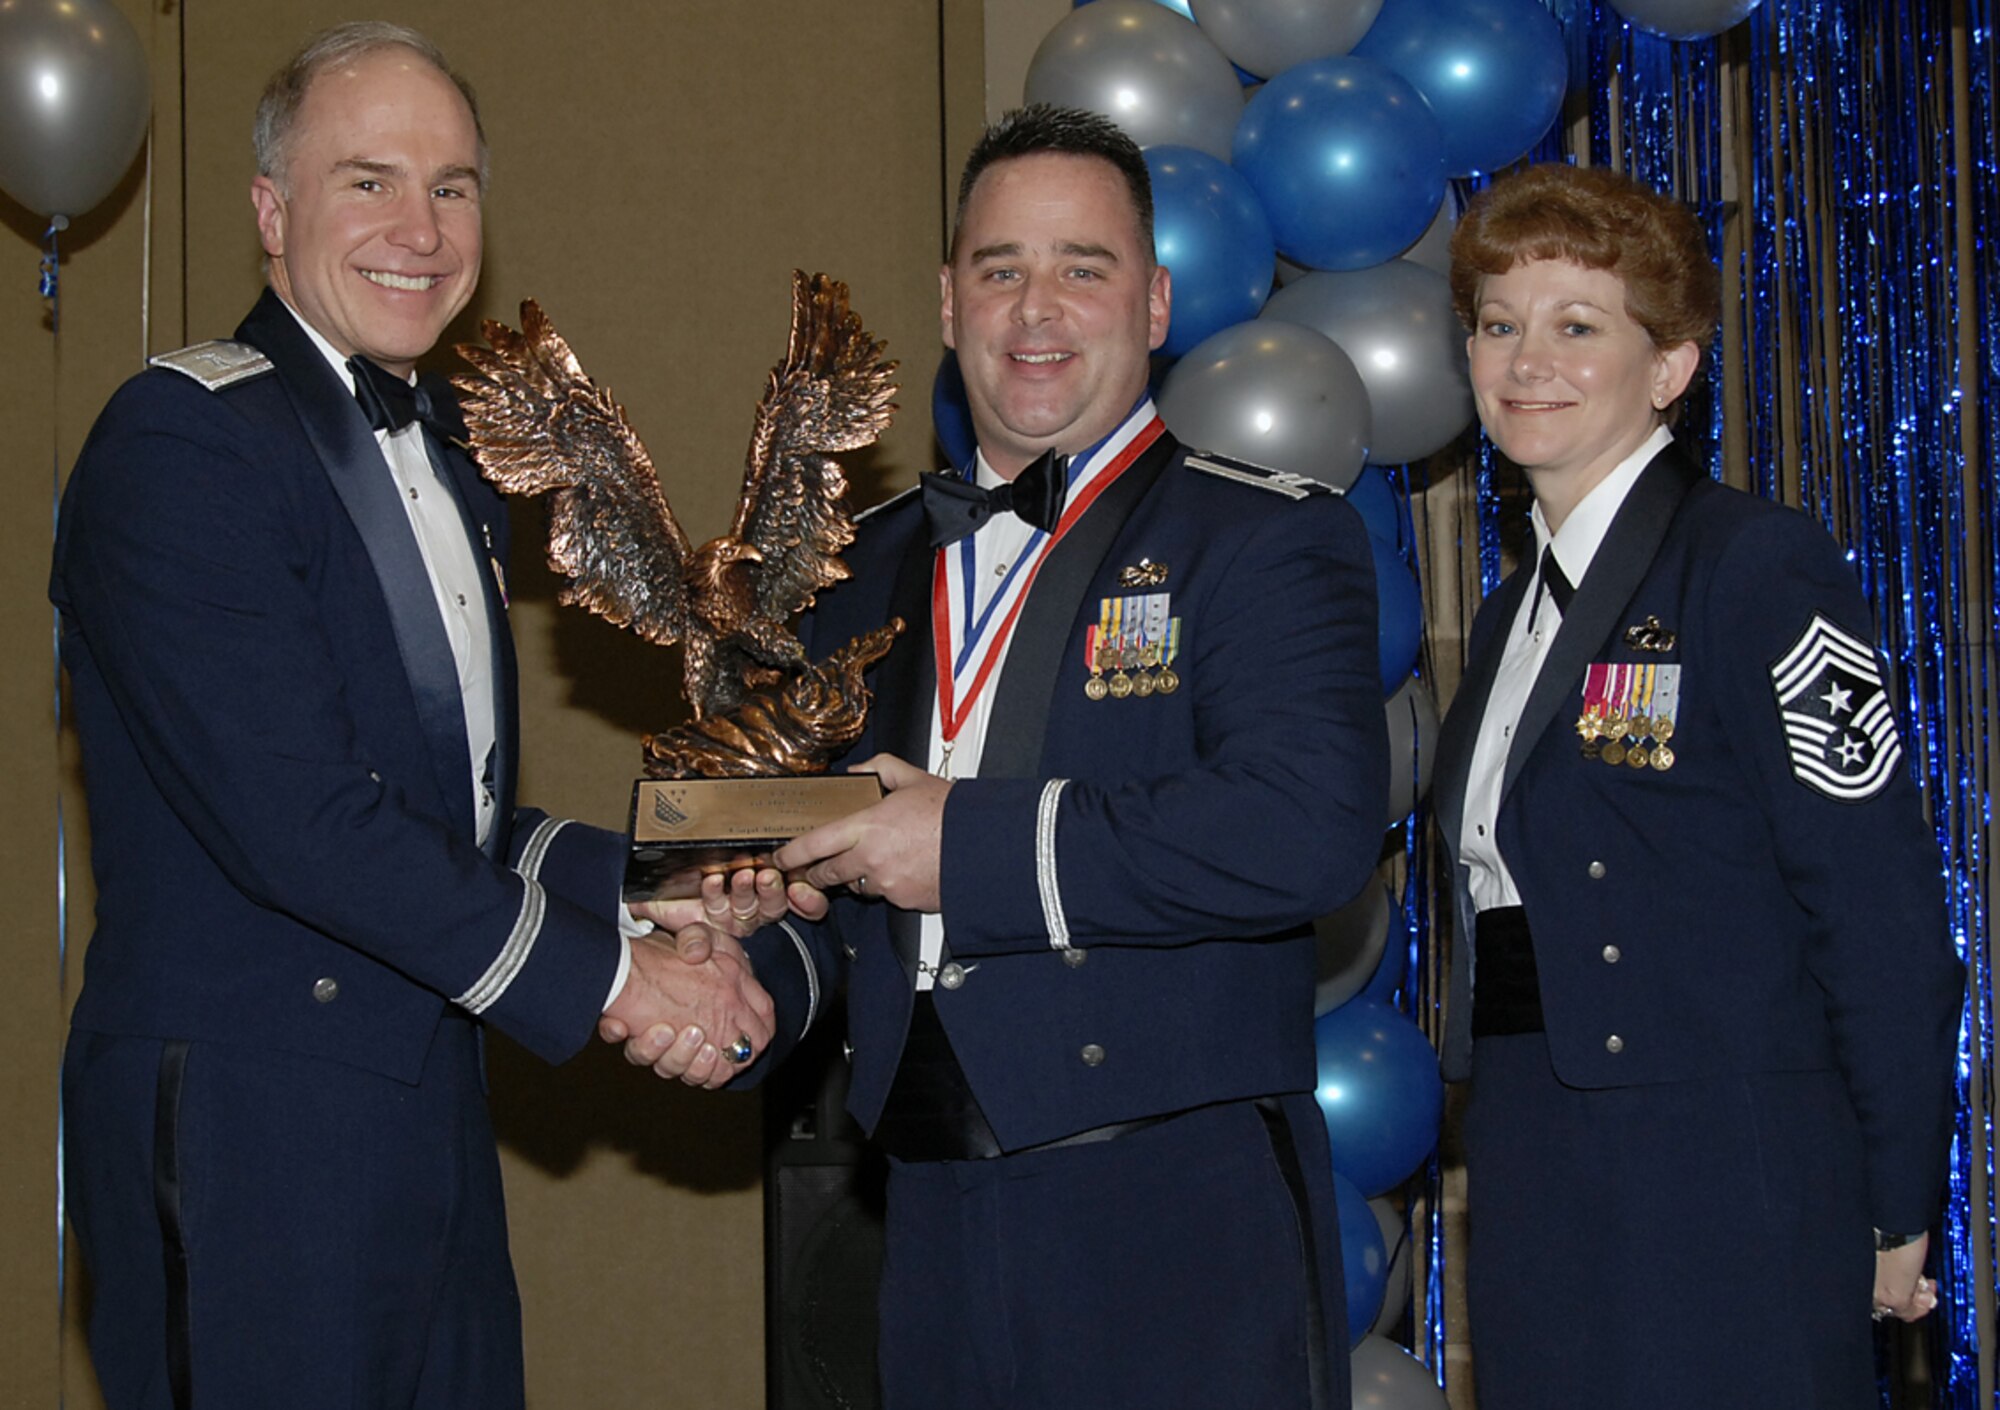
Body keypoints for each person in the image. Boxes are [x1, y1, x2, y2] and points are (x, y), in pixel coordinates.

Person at [617, 104, 1388, 1409]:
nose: (1037, 307)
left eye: (1082, 268)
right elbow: (850, 887)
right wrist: (748, 955)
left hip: (1178, 1216)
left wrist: (966, 842)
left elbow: (1307, 824)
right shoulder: (859, 577)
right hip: (926, 1212)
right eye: (1000, 268)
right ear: (947, 298)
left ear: (1152, 302)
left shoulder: (1261, 540)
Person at [52, 23, 777, 1409]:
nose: (421, 228)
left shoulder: (443, 456)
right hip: (250, 1130)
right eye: (369, 181)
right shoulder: (181, 444)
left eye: (452, 188)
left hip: (419, 1099)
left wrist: (657, 890)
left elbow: (455, 821)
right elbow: (305, 824)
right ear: (272, 212)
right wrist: (622, 984)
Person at [1429, 161, 1964, 1410]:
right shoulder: (1510, 613)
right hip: (1533, 1152)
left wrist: (1896, 1197)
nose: (1526, 360)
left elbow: (1877, 911)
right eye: (1499, 326)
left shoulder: (1756, 566)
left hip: (1723, 1171)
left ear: (1668, 367)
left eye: (1577, 327)